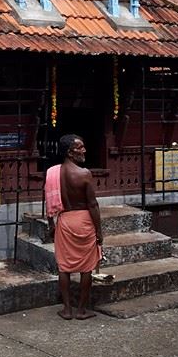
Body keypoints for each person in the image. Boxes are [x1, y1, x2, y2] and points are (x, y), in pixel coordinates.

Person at [46, 134, 103, 320]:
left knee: (64, 267)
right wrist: (99, 231)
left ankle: (67, 309)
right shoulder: (84, 174)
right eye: (80, 148)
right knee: (86, 267)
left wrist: (51, 224)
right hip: (83, 220)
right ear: (70, 152)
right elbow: (93, 205)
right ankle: (81, 310)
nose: (84, 150)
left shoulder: (53, 173)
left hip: (64, 220)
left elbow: (48, 200)